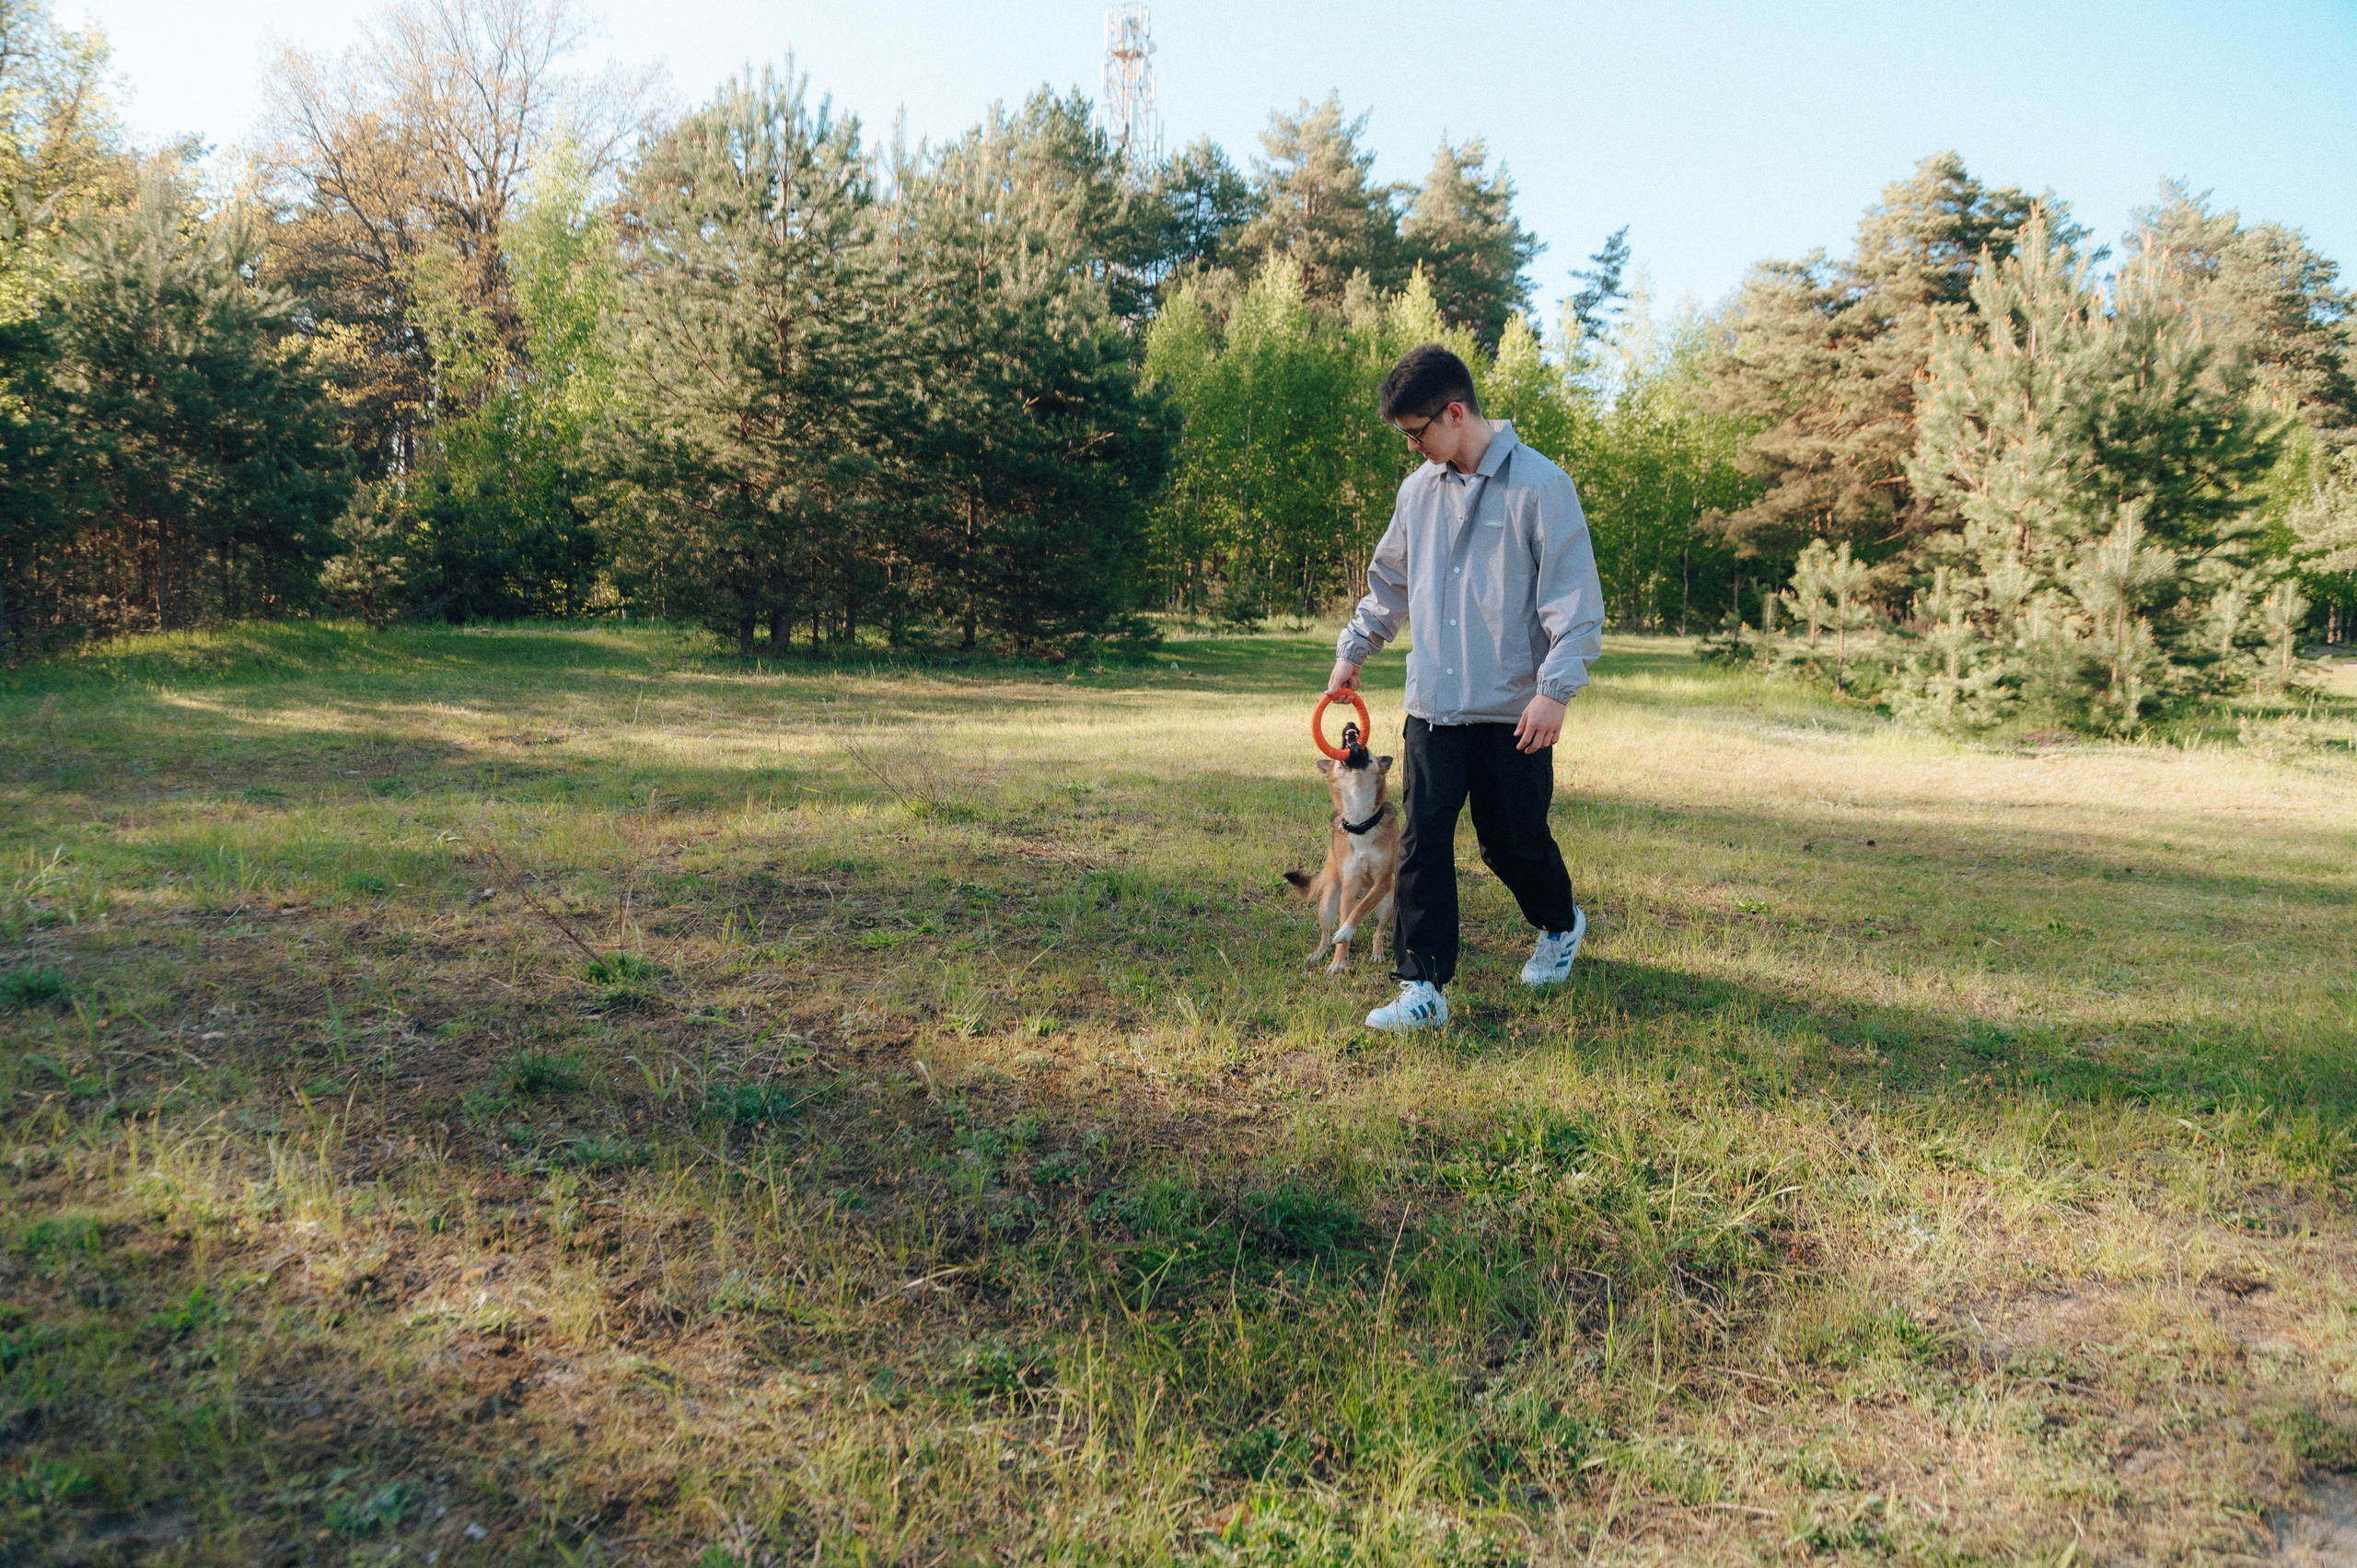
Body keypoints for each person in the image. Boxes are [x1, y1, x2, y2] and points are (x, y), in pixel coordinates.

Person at [1328, 343, 1604, 1031]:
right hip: (1434, 707)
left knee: (1511, 842)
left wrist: (1556, 690)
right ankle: (1423, 985)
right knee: (1422, 837)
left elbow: (1576, 604)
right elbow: (1389, 583)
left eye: (1418, 433)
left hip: (1515, 710)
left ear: (1455, 412)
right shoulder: (1418, 492)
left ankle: (1560, 920)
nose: (1414, 447)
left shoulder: (1542, 487)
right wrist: (1354, 648)